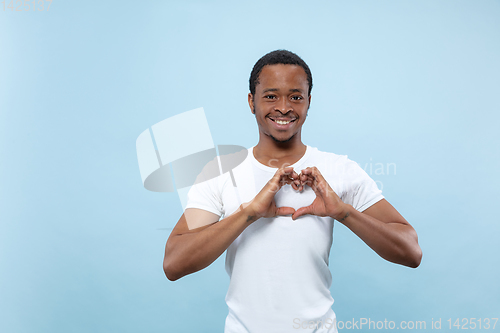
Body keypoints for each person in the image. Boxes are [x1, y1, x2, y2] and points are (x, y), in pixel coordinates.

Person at [163, 50, 422, 332]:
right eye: (271, 96)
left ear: (309, 102)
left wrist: (343, 212)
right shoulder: (221, 172)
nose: (284, 107)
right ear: (251, 101)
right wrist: (248, 213)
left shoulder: (338, 169)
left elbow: (411, 252)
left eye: (296, 97)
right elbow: (174, 263)